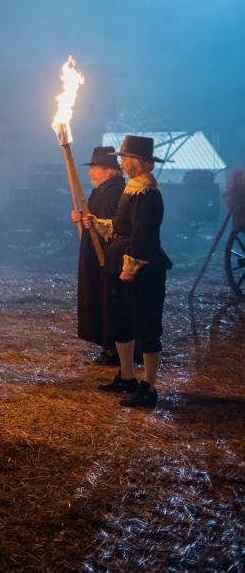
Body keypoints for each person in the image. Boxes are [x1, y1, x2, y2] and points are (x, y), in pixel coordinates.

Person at [89, 136, 172, 408]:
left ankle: (149, 386)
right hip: (119, 264)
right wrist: (96, 222)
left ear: (137, 163)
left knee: (146, 325)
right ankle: (127, 377)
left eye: (125, 159)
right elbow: (121, 226)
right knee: (120, 321)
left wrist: (130, 267)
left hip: (142, 269)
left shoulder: (148, 193)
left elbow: (143, 235)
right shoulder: (133, 189)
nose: (122, 163)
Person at [72, 147, 127, 365]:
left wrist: (93, 222)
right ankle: (107, 345)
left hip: (107, 255)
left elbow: (115, 221)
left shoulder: (115, 191)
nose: (90, 172)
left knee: (109, 301)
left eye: (94, 168)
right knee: (98, 298)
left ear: (108, 170)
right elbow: (92, 216)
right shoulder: (101, 189)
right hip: (95, 255)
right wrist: (81, 217)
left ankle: (114, 349)